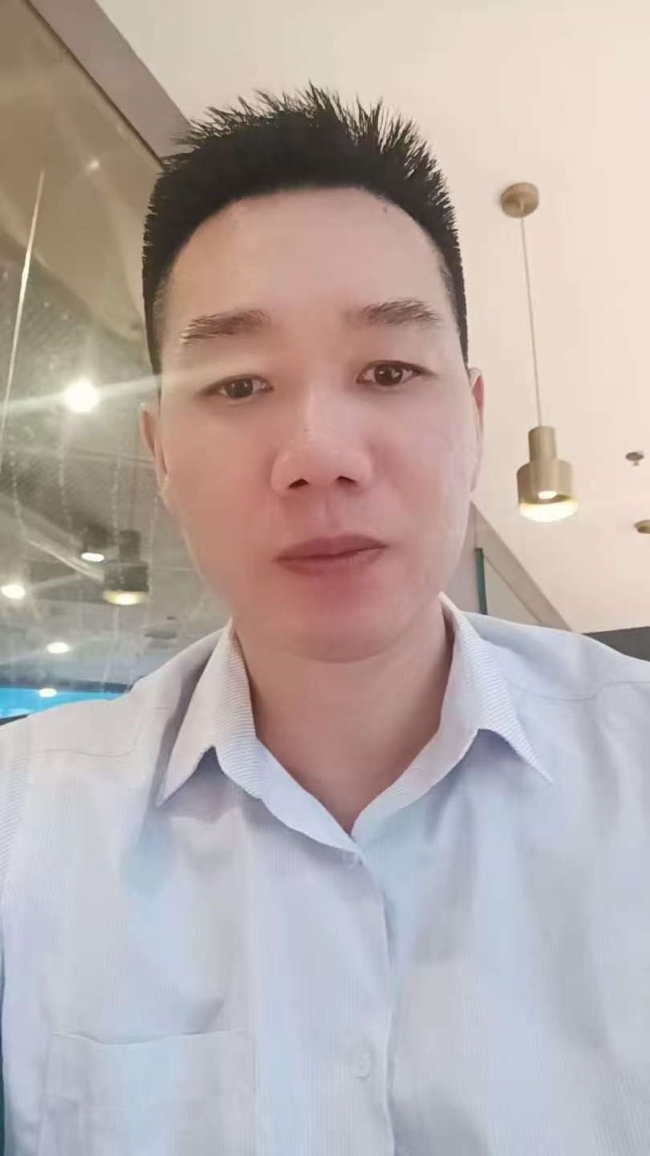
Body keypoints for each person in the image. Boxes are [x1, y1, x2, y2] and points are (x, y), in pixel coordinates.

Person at [1, 87, 649, 1156]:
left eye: (388, 370)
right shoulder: (26, 830)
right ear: (160, 453)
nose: (319, 454)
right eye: (238, 384)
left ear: (473, 418)